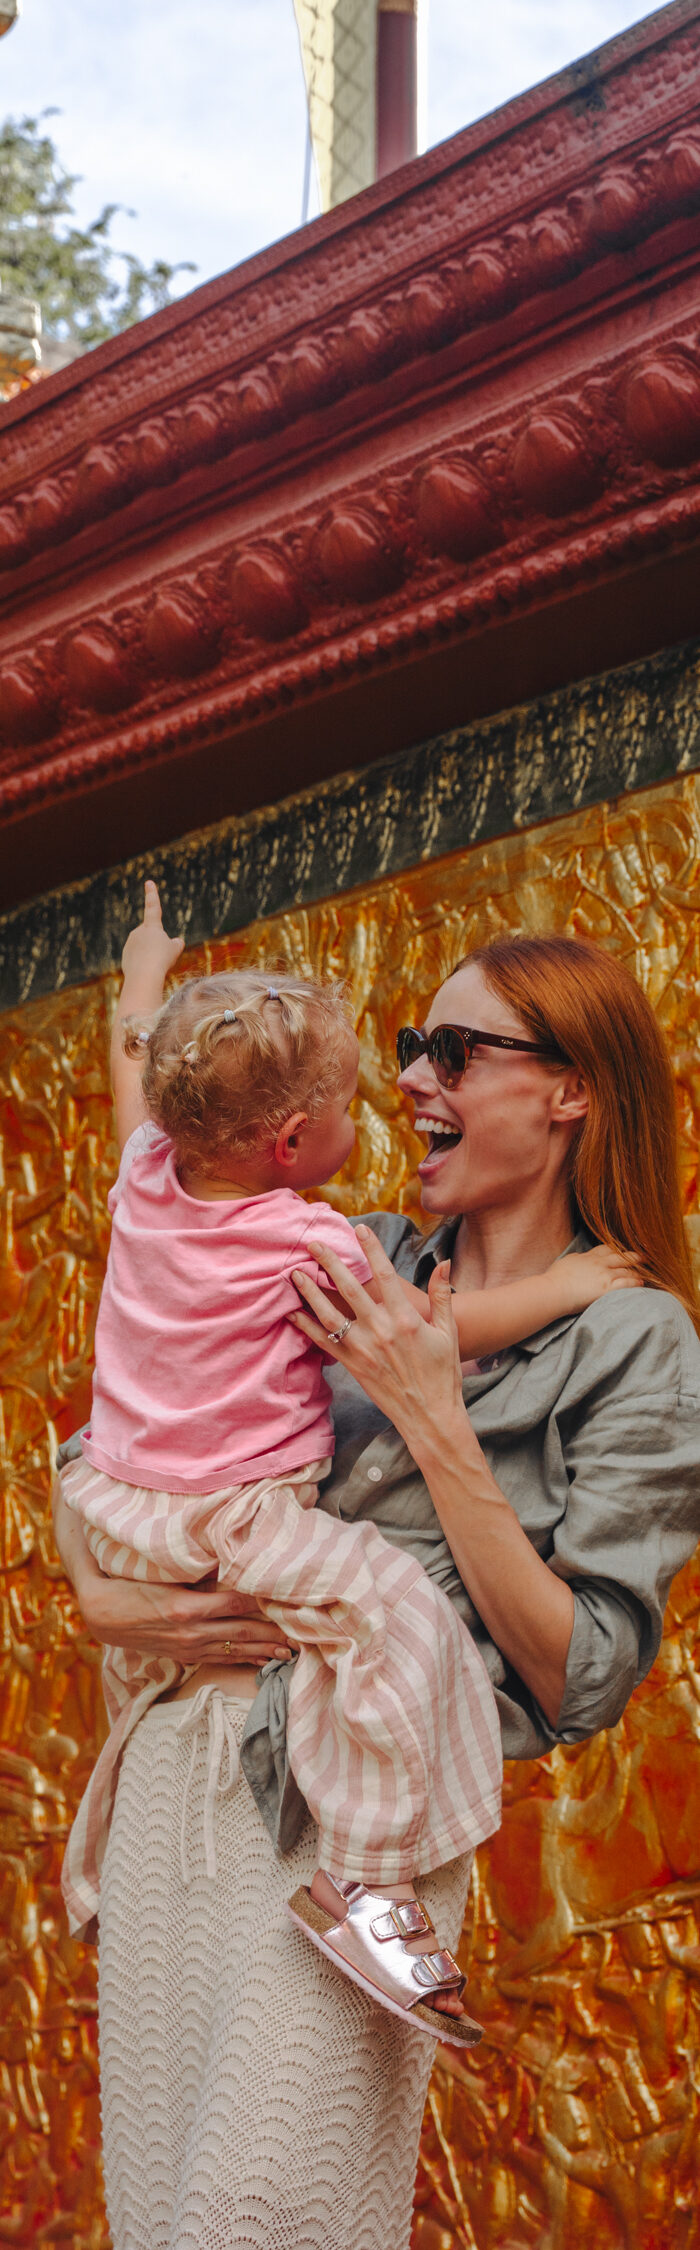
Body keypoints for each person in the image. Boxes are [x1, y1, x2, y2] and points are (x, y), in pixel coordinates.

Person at [52, 922, 700, 2250]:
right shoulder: (347, 1246)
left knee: (254, 2219)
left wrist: (438, 1425)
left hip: (357, 1821)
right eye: (410, 1049)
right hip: (180, 1774)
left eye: (454, 1051)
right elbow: (118, 1431)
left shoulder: (636, 1334)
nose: (409, 1079)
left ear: (571, 1089)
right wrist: (104, 1596)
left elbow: (580, 1673)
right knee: (163, 2220)